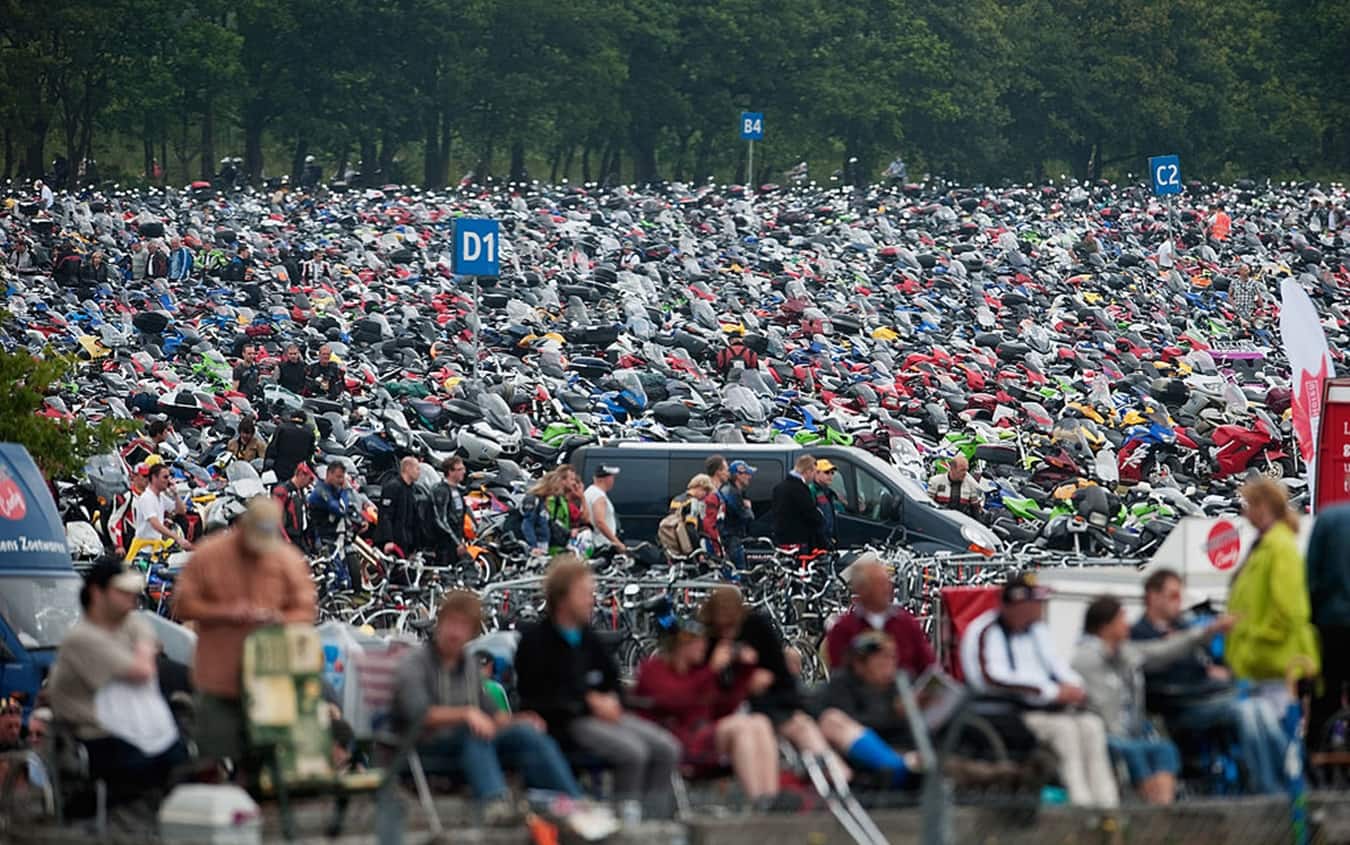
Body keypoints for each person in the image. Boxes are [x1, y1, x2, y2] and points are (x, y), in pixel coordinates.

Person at [393, 591, 585, 824]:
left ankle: (574, 803)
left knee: (527, 733)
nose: (455, 632)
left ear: (472, 633)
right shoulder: (415, 662)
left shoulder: (469, 666)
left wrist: (519, 720)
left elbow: (494, 715)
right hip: (423, 745)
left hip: (469, 744)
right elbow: (417, 713)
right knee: (473, 732)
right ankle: (495, 805)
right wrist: (466, 714)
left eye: (463, 626)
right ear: (440, 623)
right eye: (451, 623)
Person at [515, 555, 682, 818]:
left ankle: (655, 817)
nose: (590, 600)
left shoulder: (588, 638)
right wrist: (589, 701)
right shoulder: (536, 641)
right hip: (567, 722)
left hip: (604, 715)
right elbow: (538, 695)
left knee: (667, 748)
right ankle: (624, 820)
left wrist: (613, 700)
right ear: (563, 597)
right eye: (584, 594)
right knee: (633, 753)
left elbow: (610, 679)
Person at [700, 587, 912, 786]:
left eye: (732, 626)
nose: (728, 634)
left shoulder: (757, 632)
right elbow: (704, 693)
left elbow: (780, 680)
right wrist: (720, 671)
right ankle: (842, 780)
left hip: (774, 706)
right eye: (723, 627)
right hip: (737, 713)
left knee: (808, 728)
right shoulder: (710, 647)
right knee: (799, 727)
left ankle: (844, 781)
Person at [173, 498, 316, 769]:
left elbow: (306, 610)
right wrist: (225, 612)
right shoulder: (209, 555)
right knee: (213, 759)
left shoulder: (287, 560)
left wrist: (277, 619)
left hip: (270, 679)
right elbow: (182, 605)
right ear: (242, 526)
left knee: (266, 763)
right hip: (218, 680)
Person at [960, 572, 1118, 808]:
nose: (1037, 609)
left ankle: (1108, 807)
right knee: (1066, 733)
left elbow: (1056, 666)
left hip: (1049, 707)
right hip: (1012, 710)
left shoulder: (1037, 630)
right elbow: (991, 677)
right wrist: (1051, 692)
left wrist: (1074, 686)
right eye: (1031, 604)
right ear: (1013, 606)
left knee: (1092, 727)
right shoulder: (985, 631)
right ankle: (1081, 806)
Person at [1131, 569, 1288, 794]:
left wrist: (1212, 671)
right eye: (1173, 596)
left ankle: (1284, 780)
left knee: (1260, 706)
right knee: (1246, 710)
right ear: (1153, 597)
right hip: (1182, 707)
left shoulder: (1182, 626)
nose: (1179, 602)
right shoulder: (1140, 634)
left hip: (1207, 694)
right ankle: (1267, 787)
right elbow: (1160, 670)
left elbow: (1198, 664)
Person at [47, 557, 187, 801]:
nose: (132, 598)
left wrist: (145, 650)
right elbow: (143, 669)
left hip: (132, 725)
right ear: (97, 594)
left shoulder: (127, 621)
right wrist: (146, 651)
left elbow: (147, 636)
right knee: (172, 758)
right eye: (123, 592)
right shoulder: (82, 638)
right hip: (96, 735)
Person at [1072, 596, 1233, 805]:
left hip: (1133, 735)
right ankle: (1147, 817)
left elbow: (1163, 650)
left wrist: (1207, 631)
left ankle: (1161, 813)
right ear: (1106, 626)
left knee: (1164, 750)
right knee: (1134, 753)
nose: (1126, 624)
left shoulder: (1124, 652)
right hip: (1105, 736)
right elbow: (1096, 706)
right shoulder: (1085, 659)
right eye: (1121, 618)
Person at [633, 614, 787, 809]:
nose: (704, 647)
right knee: (740, 727)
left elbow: (723, 708)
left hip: (704, 736)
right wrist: (711, 671)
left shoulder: (698, 671)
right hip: (677, 739)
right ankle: (758, 800)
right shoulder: (654, 670)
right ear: (682, 644)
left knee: (759, 722)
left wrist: (744, 670)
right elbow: (676, 701)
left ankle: (771, 797)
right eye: (699, 642)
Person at [1228, 478, 1320, 714]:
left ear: (1263, 507)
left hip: (1274, 662)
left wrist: (1259, 638)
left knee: (1274, 734)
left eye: (1249, 505)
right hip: (1264, 663)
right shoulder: (1269, 544)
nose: (1245, 512)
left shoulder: (1279, 547)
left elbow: (1290, 607)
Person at [825, 553, 934, 676]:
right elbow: (838, 673)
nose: (886, 589)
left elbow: (927, 666)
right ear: (861, 589)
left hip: (904, 691)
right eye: (878, 584)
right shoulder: (844, 628)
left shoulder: (906, 622)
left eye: (887, 583)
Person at [1307, 502, 1350, 748]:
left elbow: (1311, 576)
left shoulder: (1328, 519)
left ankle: (1317, 759)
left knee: (1325, 696)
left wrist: (1312, 620)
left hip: (1331, 624)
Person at [127, 463, 192, 561]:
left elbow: (181, 511)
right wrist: (177, 538)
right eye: (165, 477)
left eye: (169, 477)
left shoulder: (161, 497)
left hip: (155, 549)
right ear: (154, 478)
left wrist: (176, 494)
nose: (168, 481)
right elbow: (155, 524)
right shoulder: (146, 497)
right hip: (144, 550)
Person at [771, 454, 827, 549]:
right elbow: (810, 513)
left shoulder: (779, 487)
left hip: (781, 538)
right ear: (808, 471)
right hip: (798, 540)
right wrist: (820, 518)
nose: (814, 476)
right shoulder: (799, 489)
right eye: (814, 472)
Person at [376, 456, 427, 557]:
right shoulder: (392, 487)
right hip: (395, 541)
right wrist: (388, 540)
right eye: (417, 468)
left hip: (407, 541)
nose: (419, 472)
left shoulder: (412, 489)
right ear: (408, 468)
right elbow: (385, 516)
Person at [520, 466, 573, 556]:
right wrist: (533, 546)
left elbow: (550, 522)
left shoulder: (543, 502)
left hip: (543, 544)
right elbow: (527, 524)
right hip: (536, 544)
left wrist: (568, 533)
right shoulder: (533, 499)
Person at [429, 456, 471, 565]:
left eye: (463, 469)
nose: (464, 472)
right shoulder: (441, 490)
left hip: (456, 539)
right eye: (460, 469)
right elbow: (440, 519)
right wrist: (456, 543)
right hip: (444, 544)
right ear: (450, 472)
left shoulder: (458, 490)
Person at [309, 461, 357, 551]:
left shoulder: (335, 489)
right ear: (329, 474)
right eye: (338, 477)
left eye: (342, 477)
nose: (341, 481)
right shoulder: (321, 491)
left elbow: (349, 507)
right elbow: (341, 509)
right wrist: (344, 491)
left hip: (334, 536)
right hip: (320, 539)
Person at [718, 459, 757, 565]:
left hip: (733, 539)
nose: (750, 477)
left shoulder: (735, 492)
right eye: (747, 474)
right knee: (739, 573)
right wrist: (748, 508)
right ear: (738, 475)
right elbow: (745, 516)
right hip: (731, 540)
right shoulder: (731, 493)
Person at [265, 409, 317, 484]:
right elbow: (310, 454)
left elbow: (272, 448)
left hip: (279, 470)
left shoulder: (282, 428)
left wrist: (267, 467)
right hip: (297, 473)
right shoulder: (310, 432)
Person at [273, 463, 316, 553]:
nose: (310, 483)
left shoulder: (301, 491)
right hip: (289, 538)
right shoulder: (283, 491)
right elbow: (276, 519)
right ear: (301, 475)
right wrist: (286, 539)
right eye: (310, 479)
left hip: (300, 539)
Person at [583, 465, 625, 554]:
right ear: (605, 479)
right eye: (612, 477)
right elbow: (600, 521)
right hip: (602, 543)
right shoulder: (598, 496)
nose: (613, 480)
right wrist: (616, 542)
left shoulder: (589, 492)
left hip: (594, 541)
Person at [811, 459, 844, 546]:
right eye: (826, 472)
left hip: (828, 539)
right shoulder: (812, 491)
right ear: (816, 473)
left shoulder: (828, 492)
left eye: (832, 473)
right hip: (818, 541)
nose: (830, 476)